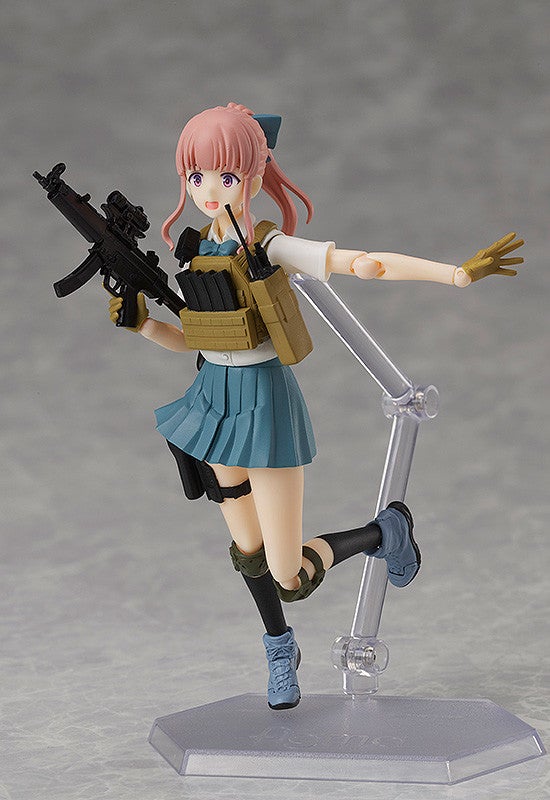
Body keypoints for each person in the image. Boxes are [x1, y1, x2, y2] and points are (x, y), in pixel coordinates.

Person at [109, 102, 523, 710]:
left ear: (253, 177)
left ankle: (384, 531)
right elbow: (194, 341)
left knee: (289, 575)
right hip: (212, 404)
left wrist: (454, 274)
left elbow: (357, 263)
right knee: (246, 551)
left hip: (262, 406)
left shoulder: (269, 245)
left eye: (226, 175)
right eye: (196, 176)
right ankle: (279, 648)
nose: (208, 189)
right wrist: (141, 324)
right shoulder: (196, 252)